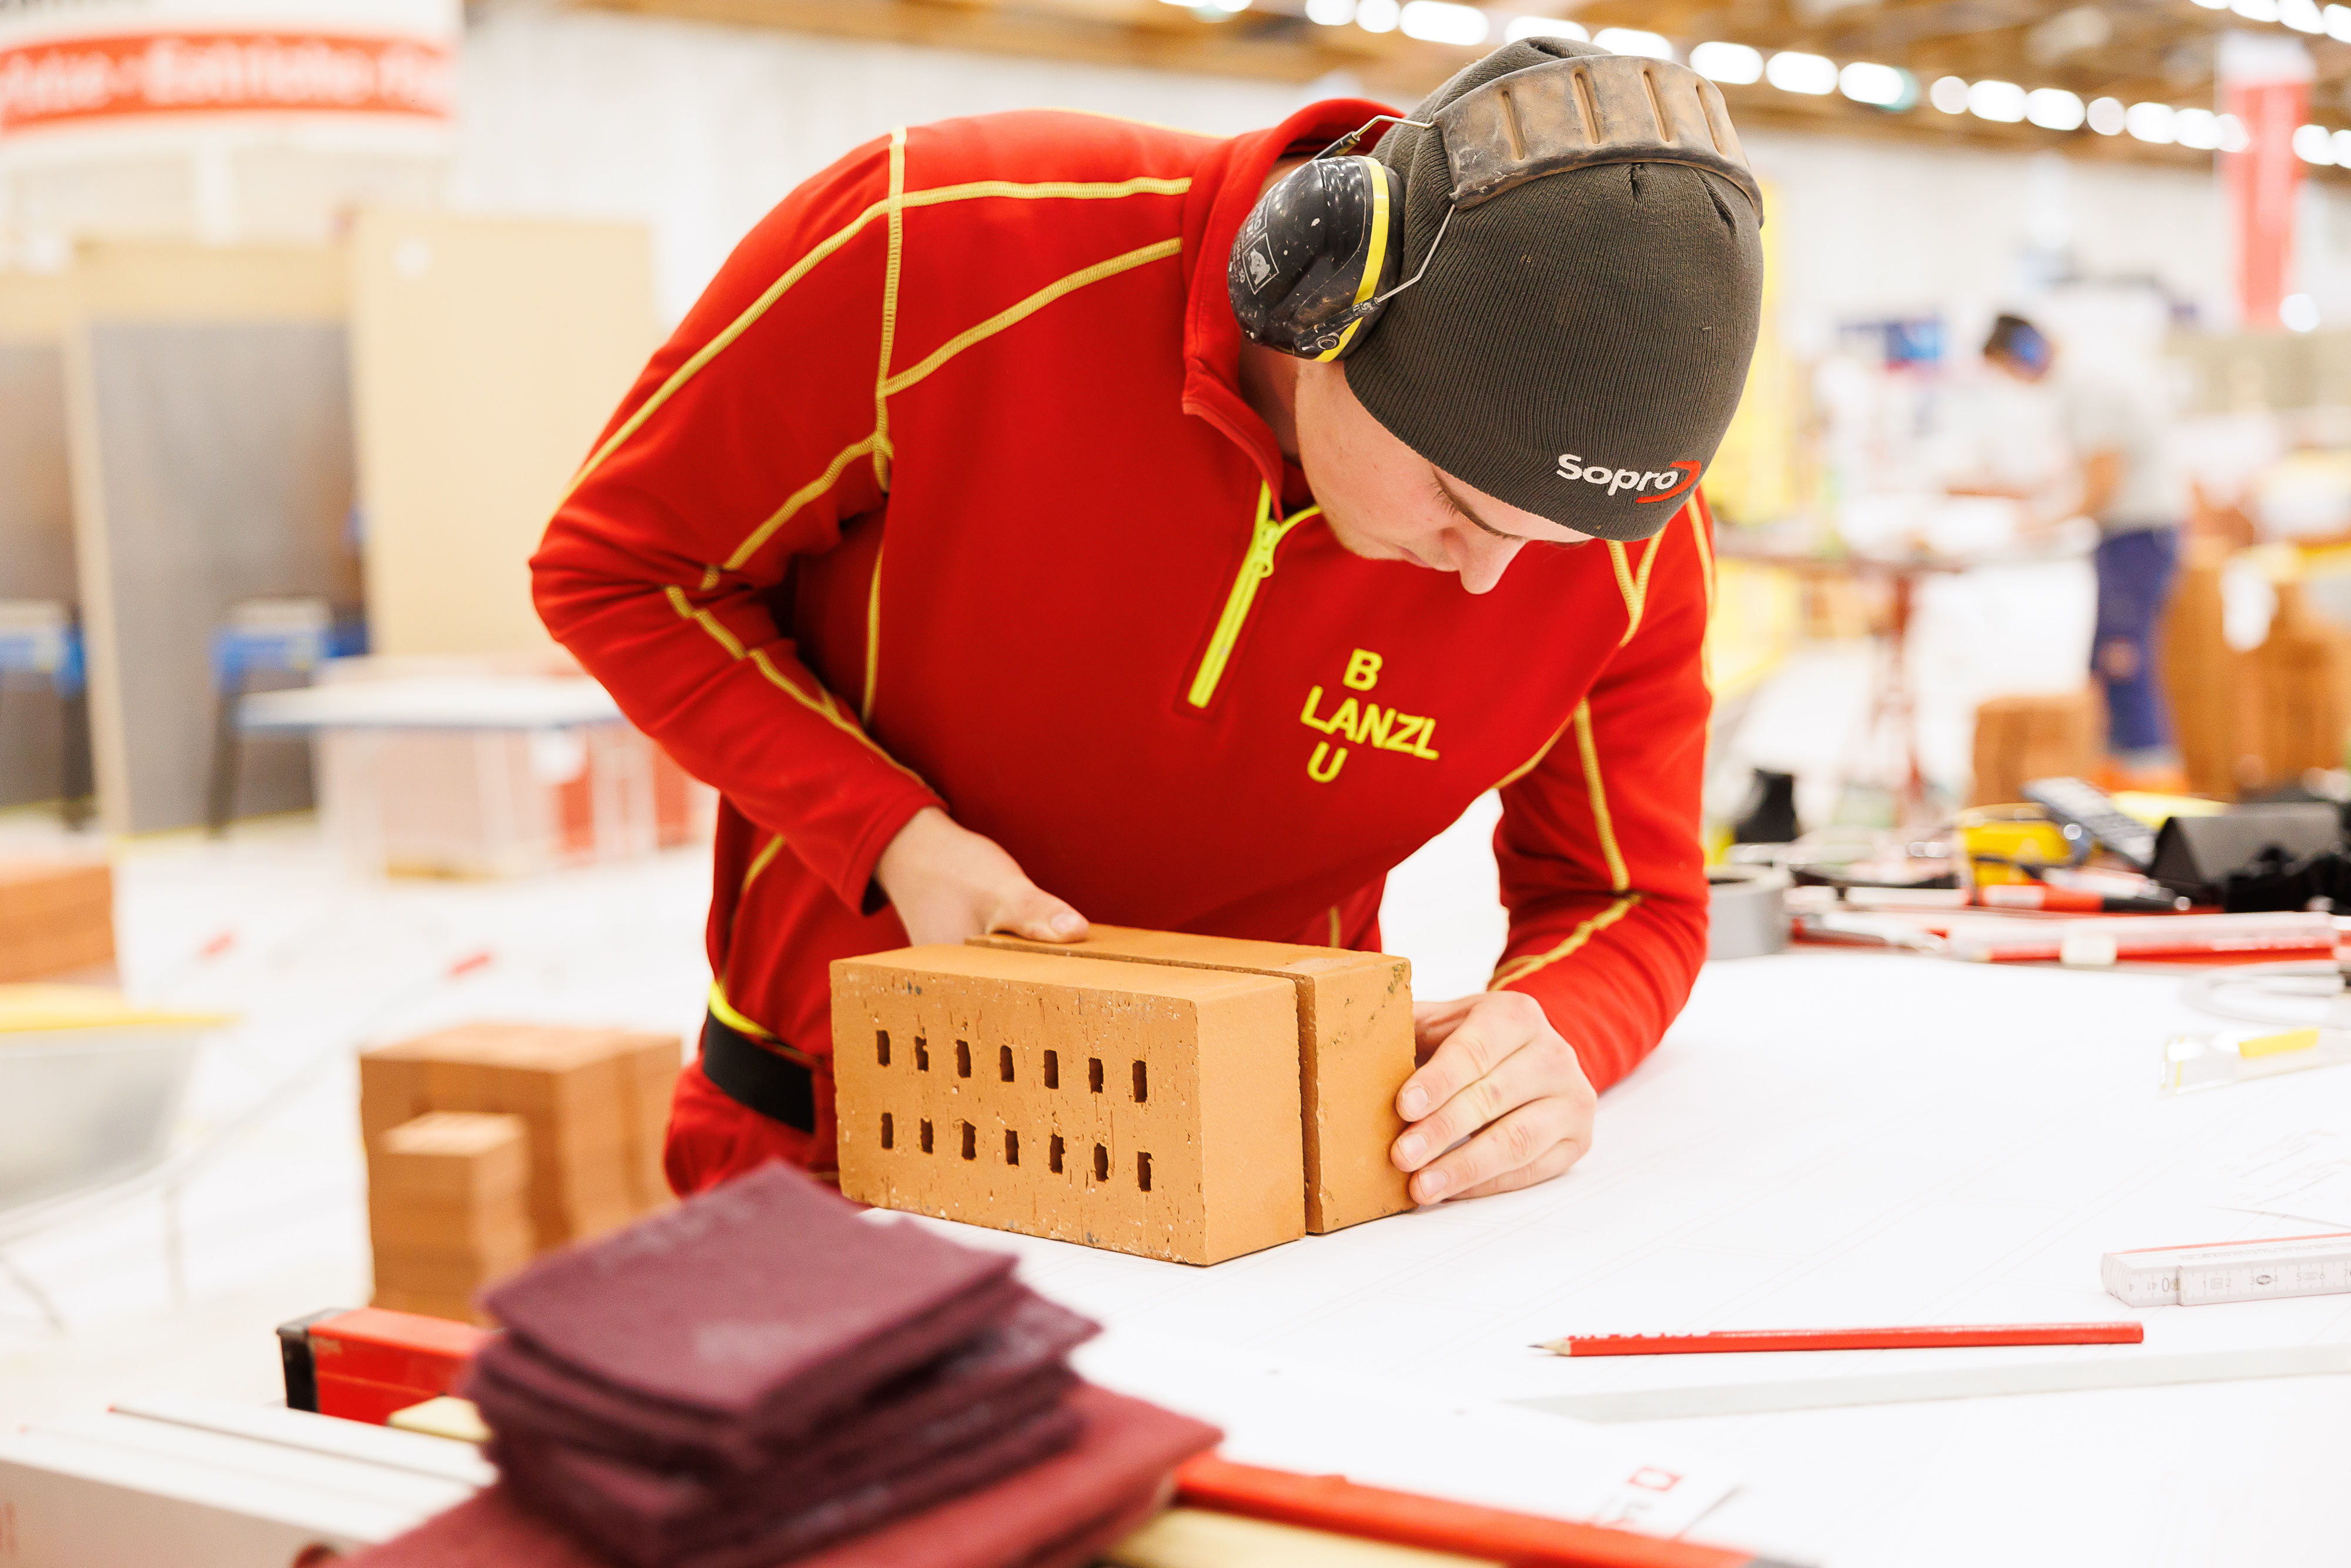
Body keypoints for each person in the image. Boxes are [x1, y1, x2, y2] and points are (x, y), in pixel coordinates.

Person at [531, 37, 1764, 1207]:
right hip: (831, 1143)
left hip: (1263, 1188)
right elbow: (624, 569)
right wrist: (890, 833)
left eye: (1550, 539)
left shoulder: (1619, 543)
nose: (1489, 577)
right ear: (1318, 295)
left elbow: (1628, 896)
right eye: (1451, 499)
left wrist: (1553, 1033)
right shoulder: (944, 247)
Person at [1981, 313, 2188, 788]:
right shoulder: (2083, 383)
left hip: (2139, 536)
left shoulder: (2092, 386)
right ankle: (2122, 783)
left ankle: (2154, 794)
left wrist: (2041, 524)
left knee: (2124, 665)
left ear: (2026, 351)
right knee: (2104, 664)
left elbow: (2102, 486)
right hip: (2126, 537)